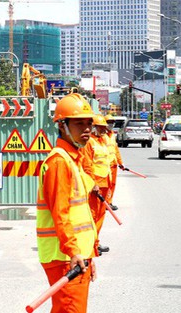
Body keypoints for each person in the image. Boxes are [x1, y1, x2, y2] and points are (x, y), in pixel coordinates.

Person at [35, 93, 98, 312]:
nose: (87, 129)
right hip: (64, 257)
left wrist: (88, 255)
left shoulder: (74, 159)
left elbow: (80, 214)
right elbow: (60, 214)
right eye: (79, 123)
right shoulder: (60, 162)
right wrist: (74, 252)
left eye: (89, 123)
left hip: (74, 255)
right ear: (63, 126)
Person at [80, 114, 112, 254]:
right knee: (92, 216)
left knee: (100, 215)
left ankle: (95, 242)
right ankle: (91, 244)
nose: (104, 130)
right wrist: (92, 183)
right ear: (94, 128)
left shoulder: (101, 141)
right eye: (101, 128)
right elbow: (87, 165)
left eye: (105, 128)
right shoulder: (89, 143)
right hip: (95, 184)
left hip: (105, 182)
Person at [105, 114, 125, 211]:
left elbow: (116, 149)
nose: (111, 124)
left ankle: (109, 202)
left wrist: (120, 162)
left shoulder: (112, 135)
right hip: (104, 165)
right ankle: (105, 202)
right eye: (109, 122)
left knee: (112, 184)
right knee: (106, 185)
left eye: (112, 123)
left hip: (113, 164)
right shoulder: (101, 135)